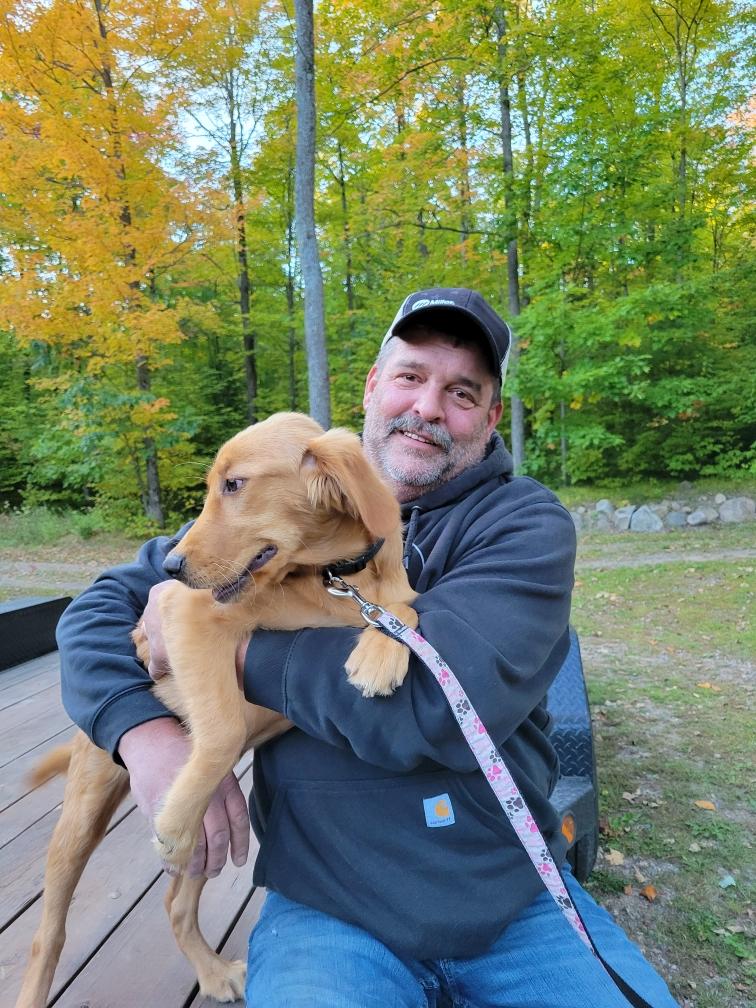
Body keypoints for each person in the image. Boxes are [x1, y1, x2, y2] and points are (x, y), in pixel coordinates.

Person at [57, 287, 679, 1007]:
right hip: (327, 910)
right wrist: (146, 735)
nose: (427, 408)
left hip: (510, 897)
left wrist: (233, 655)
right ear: (373, 387)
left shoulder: (520, 524)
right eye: (411, 376)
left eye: (462, 392)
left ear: (490, 418)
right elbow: (99, 609)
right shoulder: (279, 506)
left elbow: (435, 709)